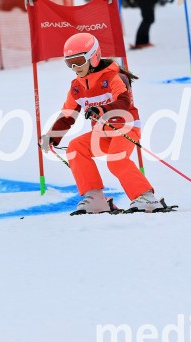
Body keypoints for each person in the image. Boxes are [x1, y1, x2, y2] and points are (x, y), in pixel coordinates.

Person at [40, 32, 163, 214]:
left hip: (125, 127)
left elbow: (123, 101)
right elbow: (67, 116)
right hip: (102, 133)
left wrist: (102, 109)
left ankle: (145, 197)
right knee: (76, 147)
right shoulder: (76, 87)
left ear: (94, 57)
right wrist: (52, 136)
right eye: (69, 63)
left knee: (116, 159)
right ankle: (96, 198)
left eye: (79, 61)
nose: (75, 67)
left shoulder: (114, 76)